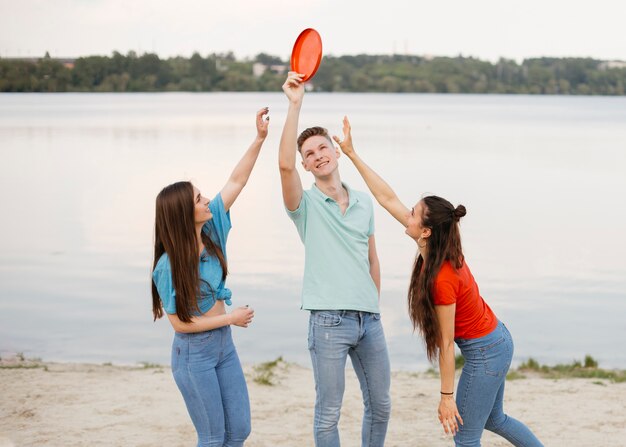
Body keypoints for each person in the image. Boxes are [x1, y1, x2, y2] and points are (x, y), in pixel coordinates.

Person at [335, 116, 544, 447]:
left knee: (465, 436)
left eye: (414, 214)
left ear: (427, 230)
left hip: (487, 350)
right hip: (497, 340)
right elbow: (387, 198)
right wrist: (352, 154)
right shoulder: (431, 246)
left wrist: (446, 396)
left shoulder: (442, 277)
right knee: (495, 418)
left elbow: (447, 344)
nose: (408, 215)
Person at [278, 72, 391, 447]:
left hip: (368, 320)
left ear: (336, 151)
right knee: (329, 412)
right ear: (307, 166)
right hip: (327, 320)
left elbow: (372, 260)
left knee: (381, 405)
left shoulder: (363, 202)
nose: (317, 155)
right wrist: (295, 104)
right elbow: (284, 167)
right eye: (309, 154)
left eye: (322, 148)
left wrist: (372, 304)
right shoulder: (305, 205)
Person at [151, 107, 269, 447]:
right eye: (199, 199)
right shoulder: (167, 266)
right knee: (213, 436)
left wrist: (259, 138)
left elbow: (237, 180)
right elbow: (180, 324)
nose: (207, 200)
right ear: (182, 214)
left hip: (223, 348)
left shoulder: (213, 228)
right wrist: (230, 317)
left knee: (239, 431)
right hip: (193, 353)